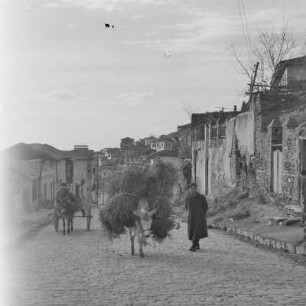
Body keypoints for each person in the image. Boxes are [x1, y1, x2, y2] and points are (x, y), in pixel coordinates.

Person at [185, 183, 208, 252]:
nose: (192, 189)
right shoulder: (187, 198)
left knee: (197, 230)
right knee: (192, 231)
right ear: (188, 189)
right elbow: (186, 208)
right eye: (190, 188)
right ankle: (197, 243)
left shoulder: (201, 197)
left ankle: (194, 246)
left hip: (199, 217)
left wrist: (201, 214)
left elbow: (205, 207)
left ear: (196, 189)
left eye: (193, 188)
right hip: (191, 217)